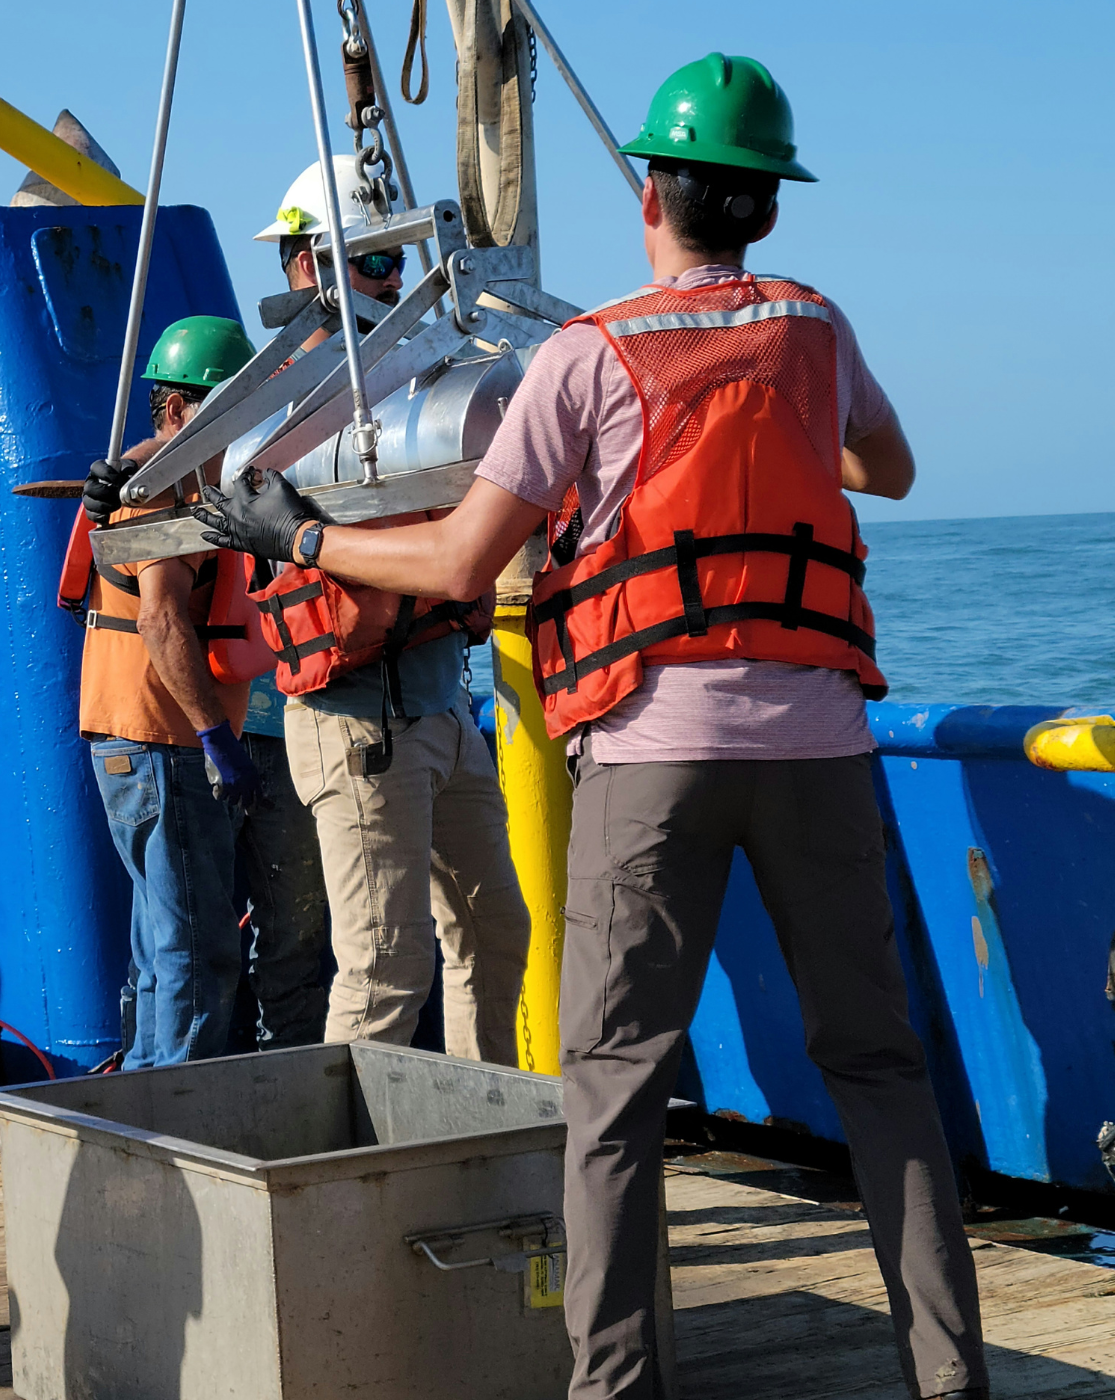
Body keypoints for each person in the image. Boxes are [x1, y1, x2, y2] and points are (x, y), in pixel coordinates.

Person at [193, 55, 988, 1400]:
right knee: (879, 1070)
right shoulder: (816, 326)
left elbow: (456, 565)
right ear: (768, 210)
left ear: (652, 194)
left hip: (651, 755)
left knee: (613, 1089)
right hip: (821, 754)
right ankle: (950, 1375)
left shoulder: (588, 355)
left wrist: (305, 535)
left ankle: (613, 1388)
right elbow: (887, 468)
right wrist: (780, 428)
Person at [119, 157, 530, 1064]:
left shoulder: (428, 366)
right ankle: (361, 1189)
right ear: (307, 266)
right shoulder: (285, 395)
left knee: (494, 937)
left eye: (400, 261)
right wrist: (133, 473)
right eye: (375, 263)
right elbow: (212, 452)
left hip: (441, 709)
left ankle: (483, 1135)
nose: (398, 283)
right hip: (357, 725)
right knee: (383, 971)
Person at [76, 315, 270, 1069]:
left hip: (127, 739)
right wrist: (217, 740)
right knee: (200, 950)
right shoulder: (163, 493)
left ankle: (144, 1102)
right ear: (179, 411)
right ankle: (180, 1120)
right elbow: (161, 618)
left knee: (160, 947)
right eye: (232, 409)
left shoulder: (141, 480)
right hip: (166, 747)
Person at [236, 664, 330, 1049]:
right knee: (187, 936)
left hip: (284, 724)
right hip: (209, 729)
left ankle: (284, 1062)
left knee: (294, 927)